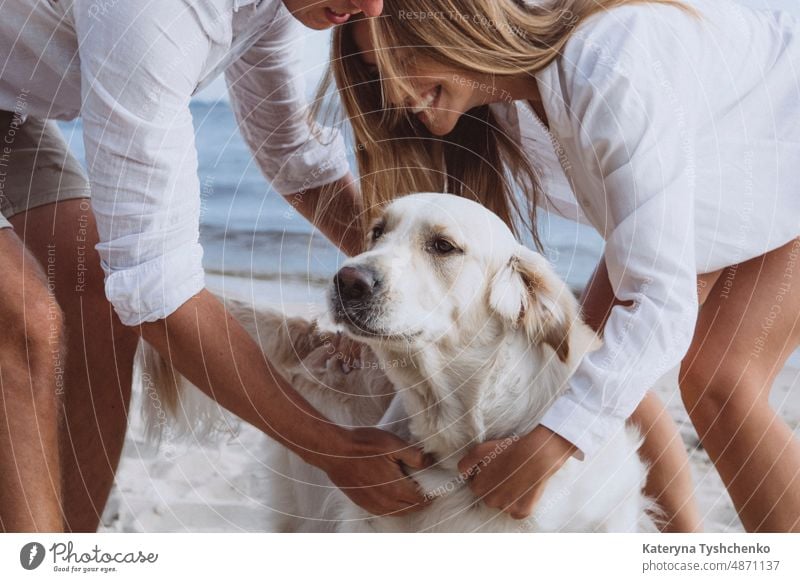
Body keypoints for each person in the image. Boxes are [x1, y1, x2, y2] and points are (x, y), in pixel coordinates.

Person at [330, 0, 800, 531]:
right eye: (375, 73)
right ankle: (680, 554)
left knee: (720, 381)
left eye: (399, 58)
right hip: (728, 179)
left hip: (786, 128)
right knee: (586, 356)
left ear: (454, 24)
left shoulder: (611, 65)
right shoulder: (501, 108)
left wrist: (550, 444)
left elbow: (661, 307)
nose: (392, 92)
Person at [0, 0, 435, 533]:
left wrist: (402, 278)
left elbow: (293, 153)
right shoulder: (156, 15)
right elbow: (155, 287)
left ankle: (68, 549)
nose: (372, 7)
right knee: (24, 323)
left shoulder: (281, 7)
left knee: (98, 295)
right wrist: (331, 447)